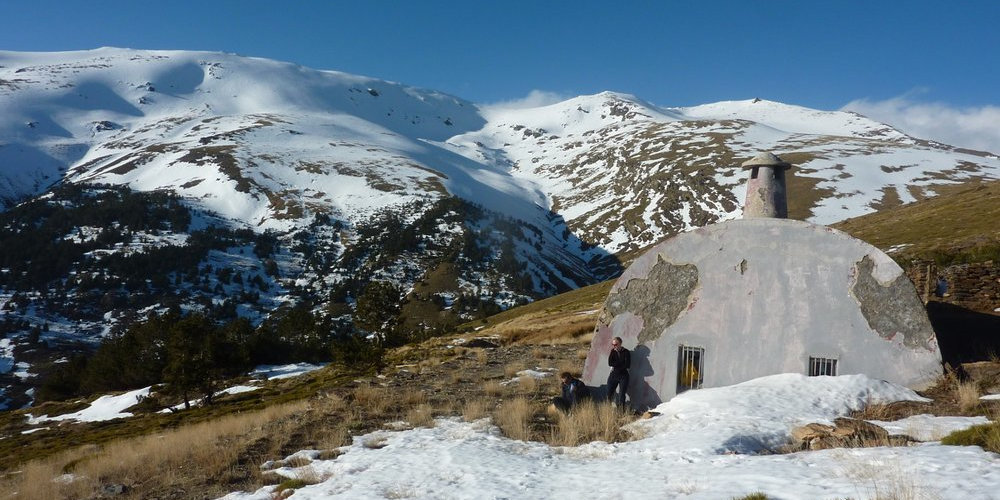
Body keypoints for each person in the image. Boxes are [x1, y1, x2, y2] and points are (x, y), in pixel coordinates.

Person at [607, 336, 630, 408]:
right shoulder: (612, 351)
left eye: (615, 344)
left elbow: (627, 365)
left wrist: (616, 365)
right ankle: (609, 409)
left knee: (621, 395)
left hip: (623, 376)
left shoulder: (626, 352)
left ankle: (621, 412)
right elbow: (610, 363)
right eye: (613, 344)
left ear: (620, 343)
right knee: (609, 393)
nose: (614, 346)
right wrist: (620, 363)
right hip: (613, 375)